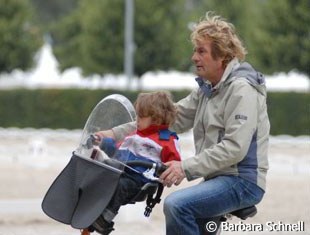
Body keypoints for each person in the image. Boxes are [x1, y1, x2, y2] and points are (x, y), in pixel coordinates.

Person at [158, 12, 270, 234]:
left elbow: (235, 148)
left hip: (241, 181)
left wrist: (184, 167)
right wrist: (118, 133)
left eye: (201, 51)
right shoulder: (206, 89)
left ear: (222, 58)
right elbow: (170, 119)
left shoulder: (241, 90)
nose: (194, 57)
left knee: (177, 206)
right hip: (219, 178)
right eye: (194, 50)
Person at [84, 91, 181, 235]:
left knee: (120, 186)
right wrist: (103, 141)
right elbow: (118, 152)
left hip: (138, 180)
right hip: (119, 168)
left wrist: (167, 171)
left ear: (156, 118)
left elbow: (174, 164)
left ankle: (105, 218)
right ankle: (85, 200)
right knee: (99, 170)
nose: (136, 120)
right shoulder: (134, 135)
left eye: (141, 117)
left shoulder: (167, 140)